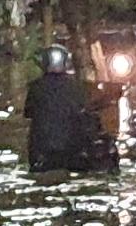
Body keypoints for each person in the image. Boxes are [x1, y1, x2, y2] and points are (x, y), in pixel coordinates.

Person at [24, 44, 118, 173]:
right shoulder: (76, 86)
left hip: (45, 153)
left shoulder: (36, 87)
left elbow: (28, 112)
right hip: (72, 151)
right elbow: (84, 110)